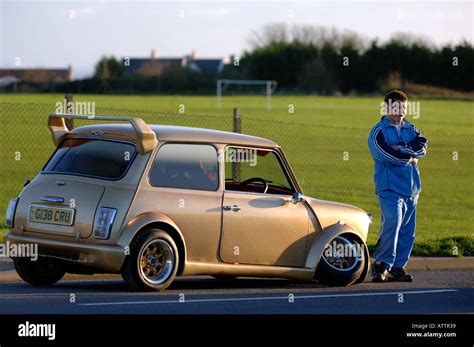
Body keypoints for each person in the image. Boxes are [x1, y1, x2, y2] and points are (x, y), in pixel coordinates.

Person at [368, 90, 428, 282]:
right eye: (396, 108)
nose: (401, 112)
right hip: (389, 187)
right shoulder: (378, 131)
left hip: (411, 188)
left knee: (407, 230)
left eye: (403, 108)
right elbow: (385, 155)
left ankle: (397, 267)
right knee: (392, 222)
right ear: (387, 108)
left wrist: (402, 151)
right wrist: (410, 157)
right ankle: (381, 265)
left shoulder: (412, 129)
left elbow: (423, 147)